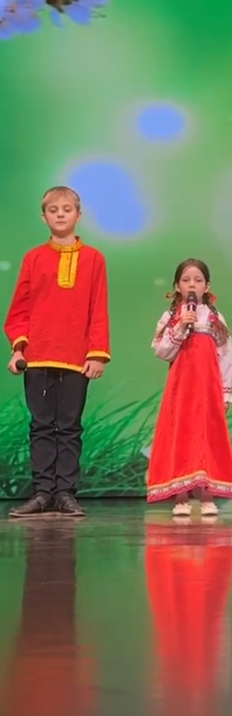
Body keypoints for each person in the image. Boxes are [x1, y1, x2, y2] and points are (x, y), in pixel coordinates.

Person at [4, 185, 110, 519]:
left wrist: (96, 353)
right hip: (37, 356)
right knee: (40, 426)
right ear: (43, 217)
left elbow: (98, 308)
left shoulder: (93, 258)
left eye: (67, 209)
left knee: (69, 427)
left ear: (78, 215)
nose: (60, 214)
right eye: (54, 210)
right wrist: (18, 349)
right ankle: (42, 493)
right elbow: (19, 310)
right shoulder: (33, 258)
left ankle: (65, 492)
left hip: (77, 357)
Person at [146, 258, 232, 516]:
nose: (192, 285)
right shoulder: (171, 317)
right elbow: (162, 351)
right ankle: (181, 496)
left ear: (207, 286)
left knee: (207, 437)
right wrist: (180, 326)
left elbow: (226, 355)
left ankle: (207, 494)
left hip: (208, 388)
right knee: (181, 435)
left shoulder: (215, 318)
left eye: (198, 280)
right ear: (177, 286)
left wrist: (226, 391)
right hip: (181, 390)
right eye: (186, 280)